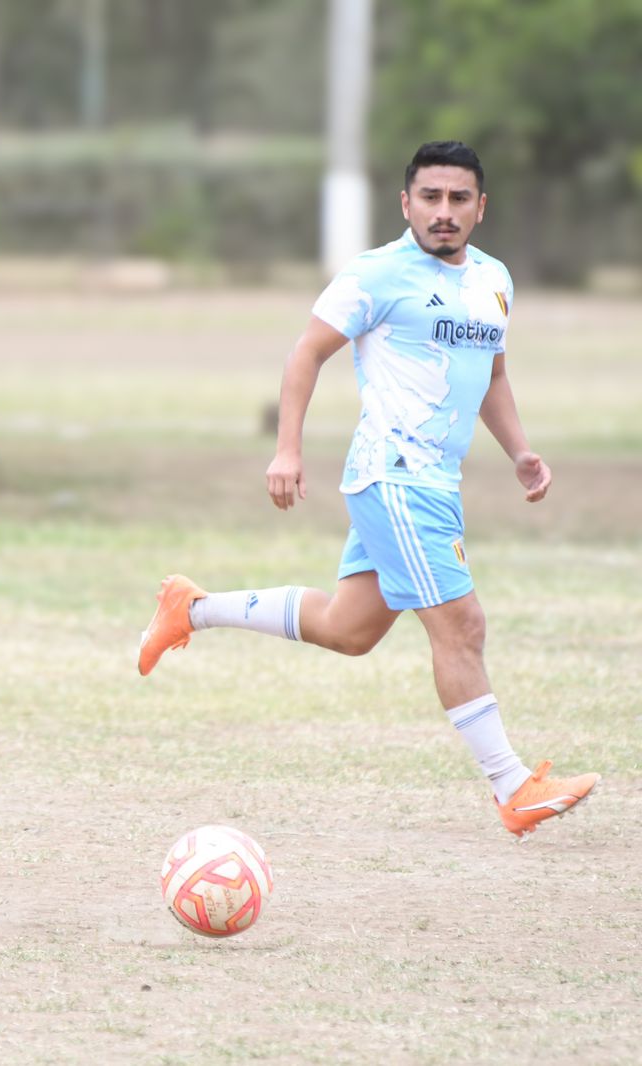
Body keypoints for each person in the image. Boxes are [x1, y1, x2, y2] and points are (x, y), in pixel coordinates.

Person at [137, 140, 599, 840]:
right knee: (462, 625)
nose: (444, 212)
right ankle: (514, 789)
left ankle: (191, 609)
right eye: (431, 197)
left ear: (481, 207)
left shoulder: (495, 280)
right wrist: (287, 448)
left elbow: (492, 375)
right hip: (395, 478)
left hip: (437, 484)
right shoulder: (376, 275)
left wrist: (520, 451)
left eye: (459, 199)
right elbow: (307, 352)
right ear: (406, 202)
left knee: (348, 630)